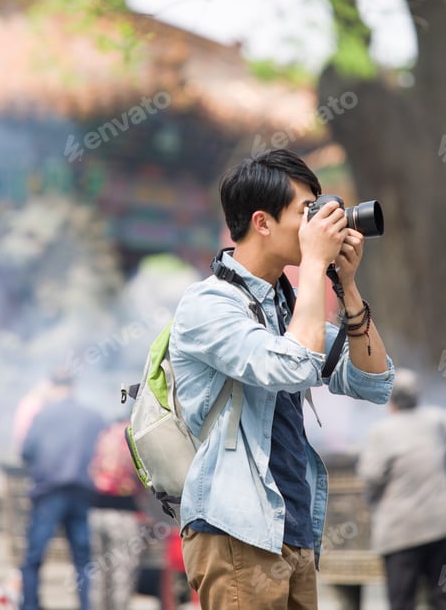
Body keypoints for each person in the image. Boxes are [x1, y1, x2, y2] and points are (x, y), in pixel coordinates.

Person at [169, 149, 395, 610]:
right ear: (262, 222)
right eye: (306, 213)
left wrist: (345, 284)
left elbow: (373, 382)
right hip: (237, 529)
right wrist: (313, 265)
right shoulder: (208, 306)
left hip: (292, 526)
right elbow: (292, 365)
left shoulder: (287, 308)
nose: (320, 225)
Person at [357, 368, 446, 610]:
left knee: (402, 601)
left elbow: (370, 475)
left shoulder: (381, 432)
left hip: (401, 531)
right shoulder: (435, 420)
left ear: (390, 401)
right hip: (442, 525)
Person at [19, 369, 105, 610]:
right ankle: (86, 605)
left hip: (48, 493)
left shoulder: (43, 415)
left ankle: (30, 606)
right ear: (72, 387)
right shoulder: (93, 416)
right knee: (83, 558)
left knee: (34, 556)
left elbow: (26, 451)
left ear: (54, 386)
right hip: (82, 492)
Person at [88, 419, 148, 610]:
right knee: (122, 572)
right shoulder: (134, 434)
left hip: (96, 510)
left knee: (96, 570)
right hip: (124, 512)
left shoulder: (104, 435)